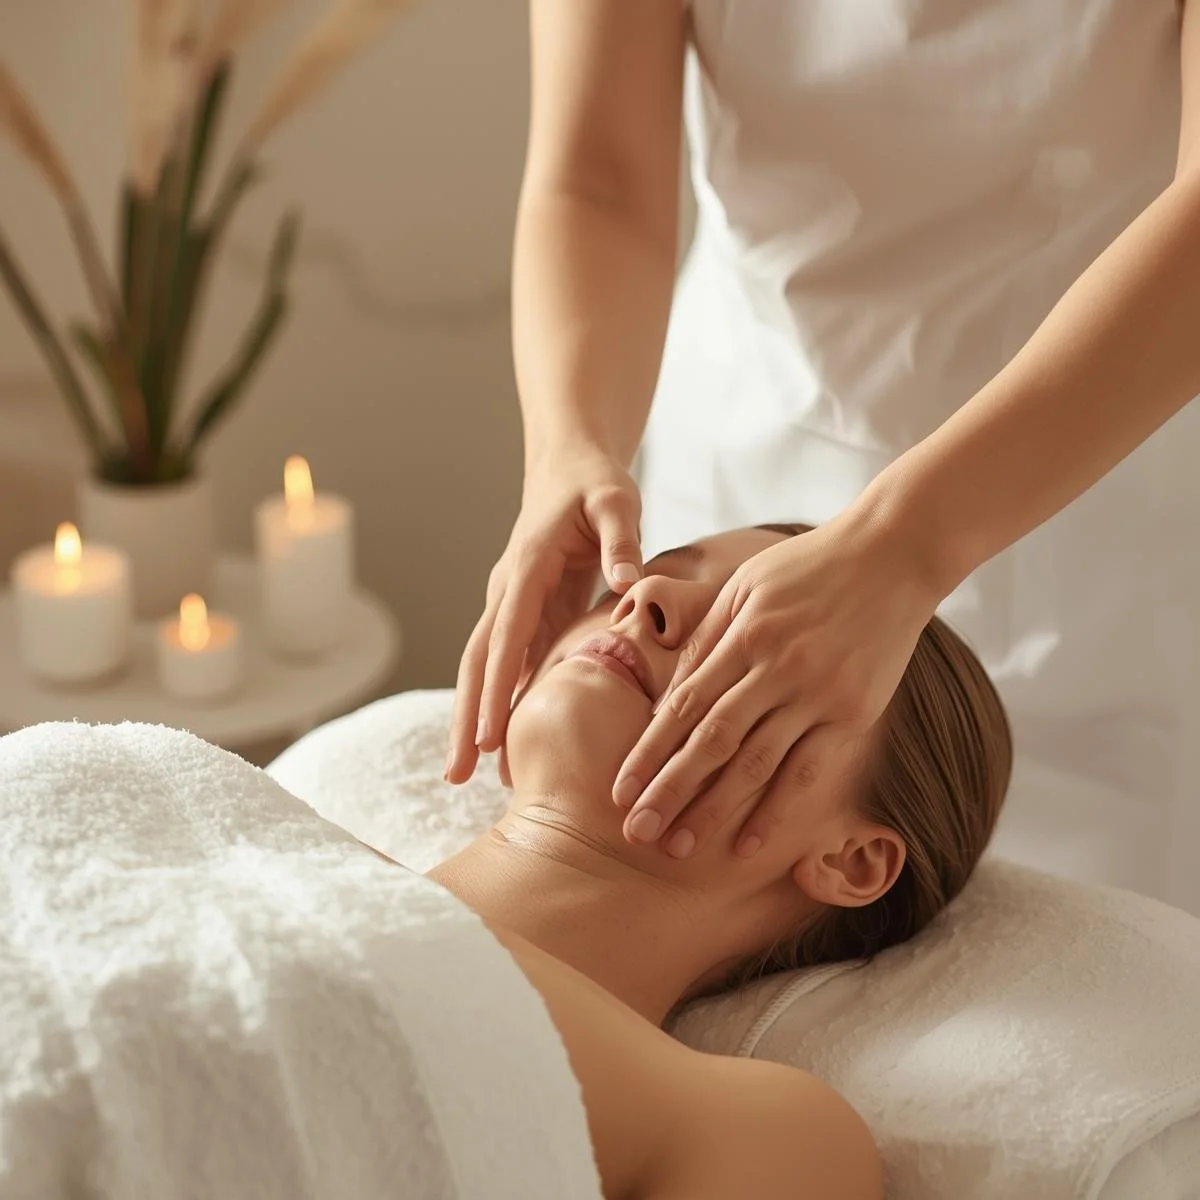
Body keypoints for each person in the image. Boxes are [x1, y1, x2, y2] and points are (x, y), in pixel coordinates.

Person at [446, 1, 1200, 915]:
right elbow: (597, 179)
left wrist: (909, 547)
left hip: (1091, 479)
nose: (639, 600)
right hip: (737, 430)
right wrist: (570, 444)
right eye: (678, 583)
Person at [429, 524, 1011, 1200]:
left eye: (754, 638)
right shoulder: (290, 836)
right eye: (651, 568)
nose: (647, 593)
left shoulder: (771, 1136)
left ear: (851, 861)